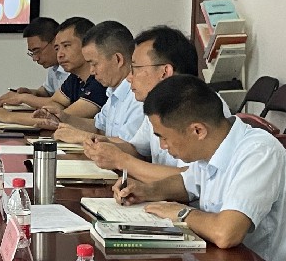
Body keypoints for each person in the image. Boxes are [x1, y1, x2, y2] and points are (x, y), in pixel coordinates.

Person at [114, 75, 286, 261]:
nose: (162, 146)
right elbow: (187, 183)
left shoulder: (260, 153)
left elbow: (226, 233)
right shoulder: (211, 144)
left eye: (164, 137)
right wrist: (147, 190)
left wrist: (182, 213)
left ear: (197, 130)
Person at [83, 26, 229, 183]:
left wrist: (122, 161)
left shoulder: (196, 105)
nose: (129, 78)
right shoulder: (158, 104)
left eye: (135, 68)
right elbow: (137, 149)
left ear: (165, 72)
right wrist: (104, 146)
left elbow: (190, 179)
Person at [40, 21, 144, 143]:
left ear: (118, 59)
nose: (92, 71)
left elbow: (129, 146)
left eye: (94, 64)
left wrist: (82, 137)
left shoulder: (138, 96)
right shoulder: (113, 91)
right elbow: (99, 128)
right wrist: (64, 117)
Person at [30, 16, 107, 124]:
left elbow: (57, 120)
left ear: (87, 45)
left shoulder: (100, 80)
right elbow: (54, 102)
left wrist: (9, 117)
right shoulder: (75, 77)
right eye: (57, 49)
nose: (60, 54)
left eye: (66, 46)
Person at [0, 17, 67, 110]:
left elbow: (61, 104)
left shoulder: (72, 69)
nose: (35, 58)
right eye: (32, 53)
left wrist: (24, 98)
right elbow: (47, 92)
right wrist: (31, 93)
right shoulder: (54, 67)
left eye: (37, 51)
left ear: (55, 41)